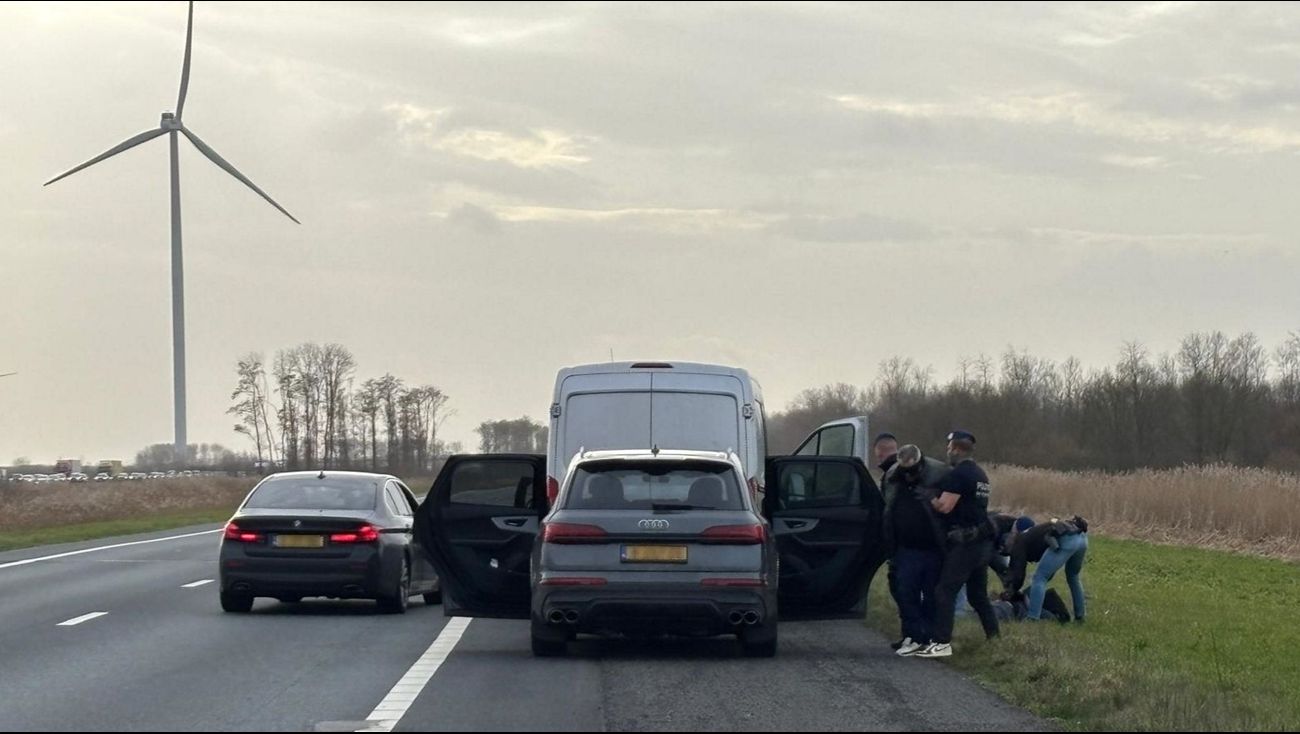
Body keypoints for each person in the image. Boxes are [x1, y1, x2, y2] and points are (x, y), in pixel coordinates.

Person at [916, 430, 1000, 658]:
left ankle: (941, 643)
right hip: (983, 543)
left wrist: (928, 495)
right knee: (978, 596)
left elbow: (945, 507)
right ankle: (995, 637)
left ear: (957, 449)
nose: (948, 452)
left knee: (944, 591)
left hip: (966, 544)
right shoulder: (980, 474)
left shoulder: (960, 474)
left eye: (950, 448)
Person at [880, 444, 950, 656]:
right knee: (904, 592)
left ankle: (927, 636)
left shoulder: (940, 474)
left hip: (933, 547)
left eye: (913, 470)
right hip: (905, 548)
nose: (909, 475)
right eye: (906, 471)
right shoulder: (893, 477)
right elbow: (886, 507)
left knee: (931, 595)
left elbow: (950, 508)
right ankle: (911, 634)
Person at [1004, 515, 1089, 623]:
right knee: (1073, 577)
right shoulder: (1034, 533)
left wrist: (1012, 591)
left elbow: (1018, 574)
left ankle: (1032, 618)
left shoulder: (1019, 541)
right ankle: (1080, 617)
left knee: (1039, 578)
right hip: (1082, 538)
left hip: (1066, 538)